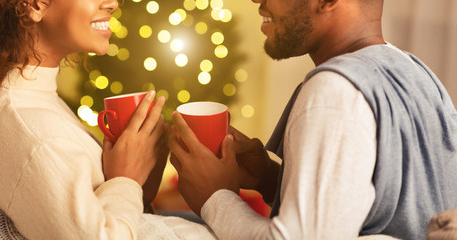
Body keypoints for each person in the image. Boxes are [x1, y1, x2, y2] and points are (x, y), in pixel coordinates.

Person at [168, 0, 457, 239]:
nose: (256, 1)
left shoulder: (334, 91)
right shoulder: (417, 74)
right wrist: (270, 179)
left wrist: (214, 197)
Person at [0, 0, 215, 239]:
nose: (113, 3)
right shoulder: (35, 133)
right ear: (35, 5)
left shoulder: (27, 98)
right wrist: (125, 180)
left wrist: (141, 185)